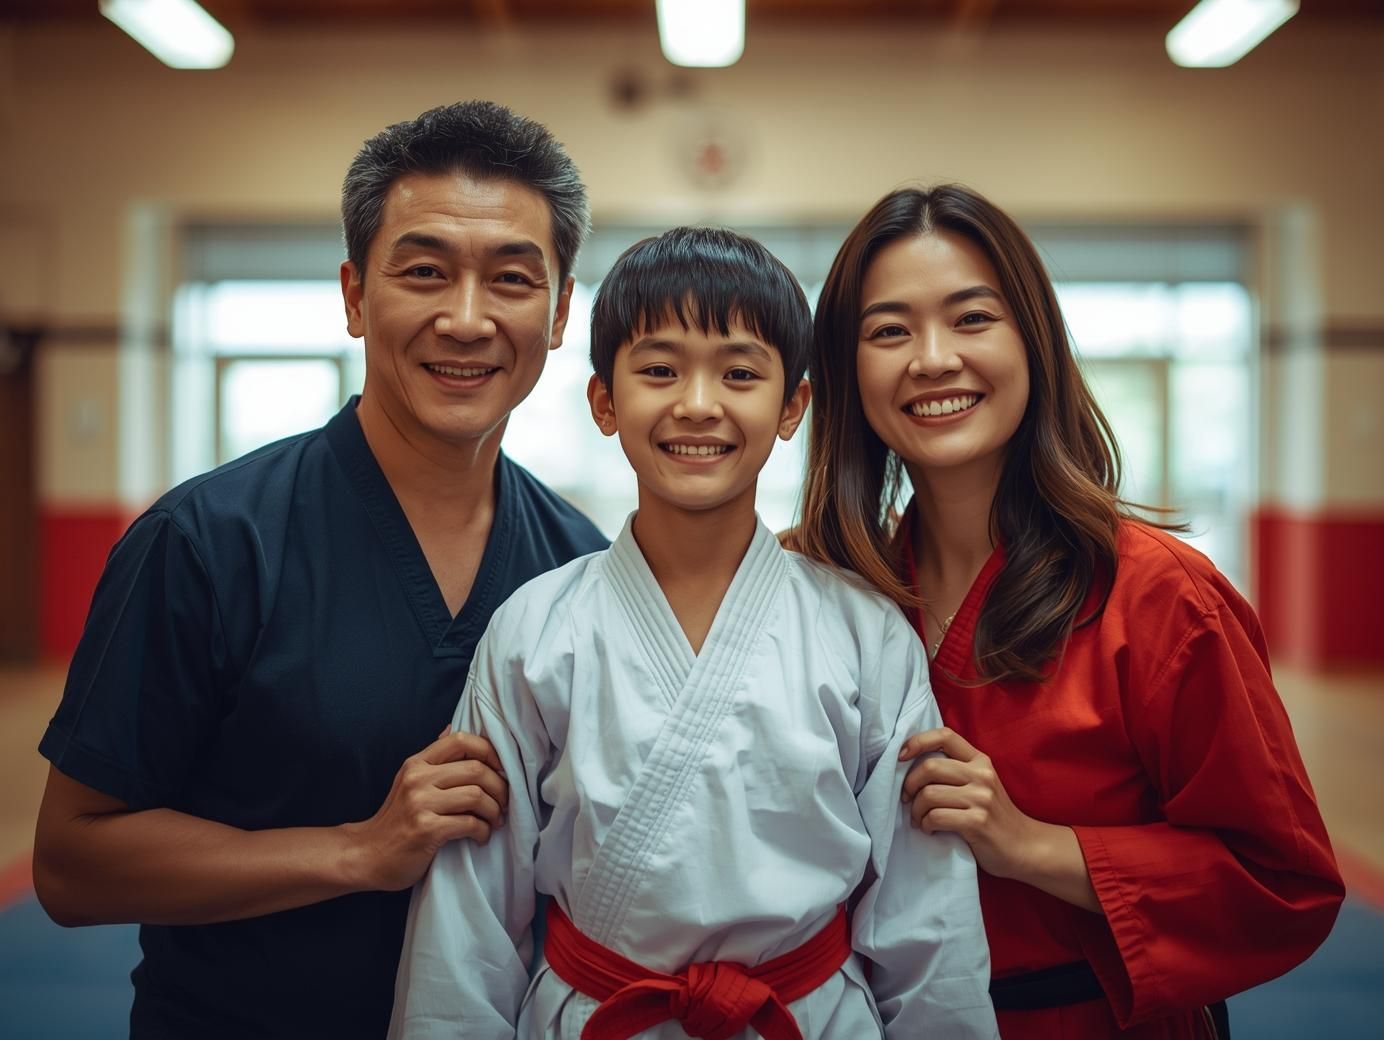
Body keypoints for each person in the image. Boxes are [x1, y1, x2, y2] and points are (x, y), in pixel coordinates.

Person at [32, 100, 608, 1039]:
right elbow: (70, 865)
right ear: (352, 295)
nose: (467, 319)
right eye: (424, 272)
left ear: (558, 313)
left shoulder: (582, 565)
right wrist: (357, 851)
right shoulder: (207, 542)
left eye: (511, 279)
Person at [387, 227, 999, 1039]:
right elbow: (469, 918)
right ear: (605, 402)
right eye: (659, 371)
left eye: (740, 374)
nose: (699, 404)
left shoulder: (864, 632)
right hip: (597, 1013)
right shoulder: (535, 631)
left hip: (808, 1016)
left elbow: (928, 912)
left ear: (792, 408)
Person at [793, 183, 1345, 1039]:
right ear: (843, 369)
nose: (932, 358)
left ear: (1034, 342)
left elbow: (1283, 881)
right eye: (889, 330)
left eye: (972, 318)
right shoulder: (813, 586)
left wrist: (1033, 844)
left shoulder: (1158, 596)